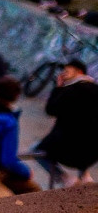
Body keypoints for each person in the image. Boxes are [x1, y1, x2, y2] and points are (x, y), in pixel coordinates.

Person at [34, 59, 98, 187]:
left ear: (79, 72)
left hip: (66, 150)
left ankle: (66, 178)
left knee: (37, 151)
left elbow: (50, 110)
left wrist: (58, 88)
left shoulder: (69, 90)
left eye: (67, 71)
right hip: (93, 153)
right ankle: (85, 175)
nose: (63, 74)